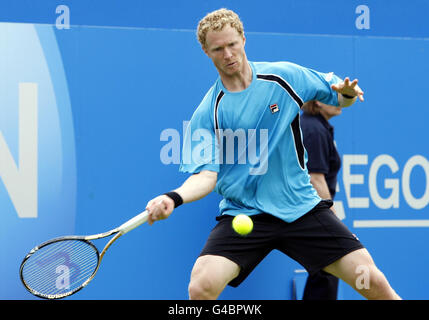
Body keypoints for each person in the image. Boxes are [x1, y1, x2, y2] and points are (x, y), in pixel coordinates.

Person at [145, 8, 401, 300]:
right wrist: (173, 198)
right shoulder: (209, 112)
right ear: (206, 51)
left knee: (372, 281)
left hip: (300, 207)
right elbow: (205, 177)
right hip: (244, 214)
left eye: (232, 44)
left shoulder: (283, 77)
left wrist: (348, 94)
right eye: (218, 49)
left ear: (243, 39)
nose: (228, 54)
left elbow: (339, 96)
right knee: (201, 286)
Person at [300, 100, 342, 300]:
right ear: (317, 102)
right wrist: (332, 220)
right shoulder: (313, 129)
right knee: (328, 269)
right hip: (310, 212)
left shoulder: (316, 125)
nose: (339, 101)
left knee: (326, 271)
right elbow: (315, 178)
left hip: (310, 212)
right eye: (333, 97)